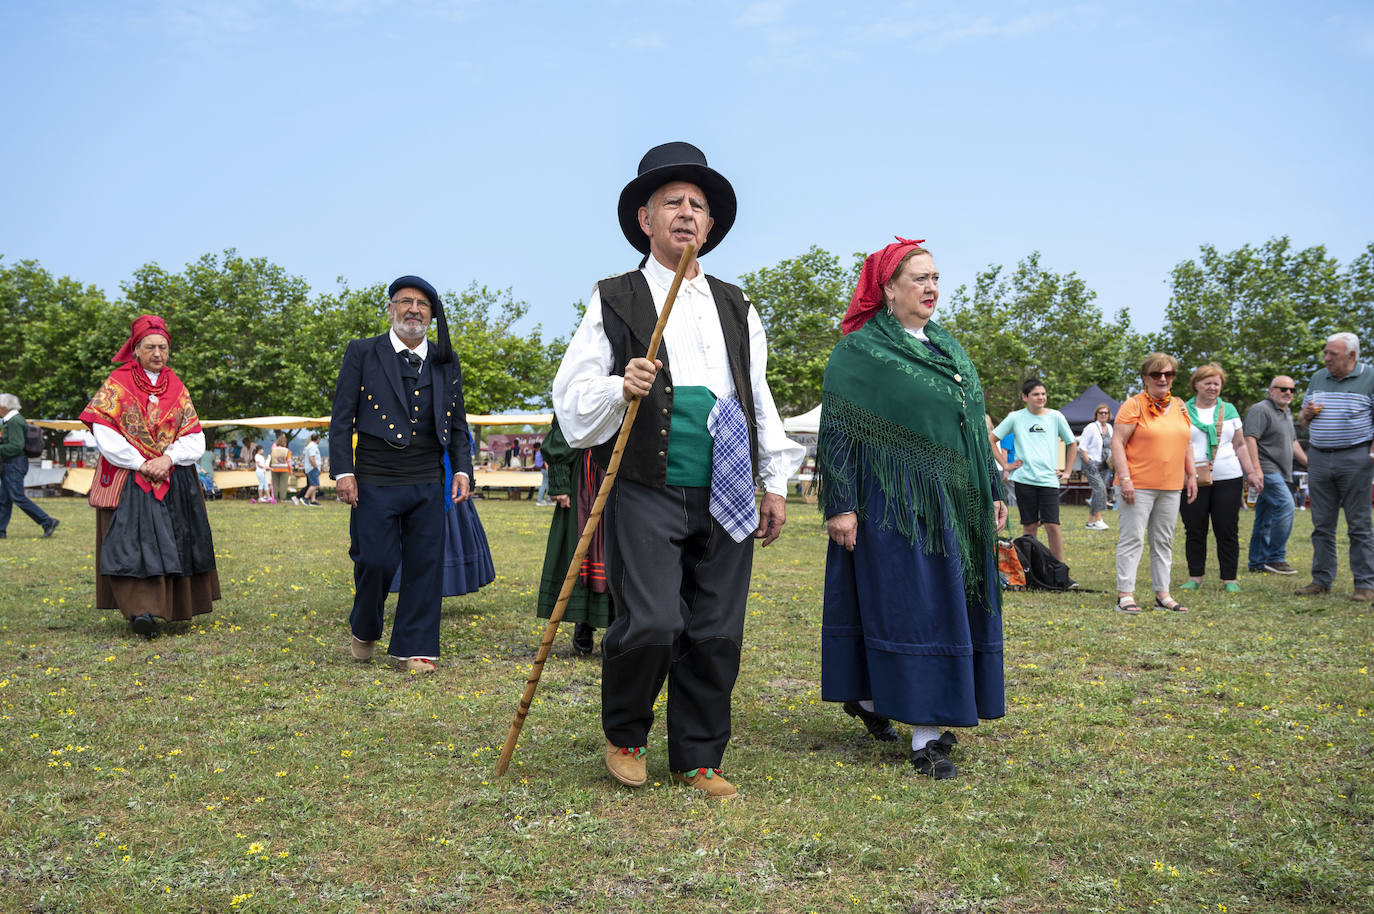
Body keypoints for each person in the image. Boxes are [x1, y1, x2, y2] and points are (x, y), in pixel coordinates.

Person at [552, 141, 803, 798]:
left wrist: (772, 480)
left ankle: (698, 756)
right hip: (645, 484)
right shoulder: (616, 297)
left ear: (710, 224)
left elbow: (757, 396)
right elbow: (572, 400)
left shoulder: (737, 304)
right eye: (673, 203)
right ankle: (627, 734)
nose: (687, 214)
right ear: (645, 219)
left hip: (727, 480)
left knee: (717, 626)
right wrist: (618, 384)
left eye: (698, 205)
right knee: (655, 620)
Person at [819, 237, 1006, 780]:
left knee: (946, 606)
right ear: (887, 288)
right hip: (893, 505)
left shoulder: (949, 349)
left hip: (956, 504)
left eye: (935, 278)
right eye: (919, 278)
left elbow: (972, 428)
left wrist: (992, 490)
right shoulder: (858, 352)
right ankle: (926, 735)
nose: (931, 287)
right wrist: (842, 505)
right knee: (916, 608)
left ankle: (873, 700)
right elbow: (837, 432)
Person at [330, 275, 473, 673]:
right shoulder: (362, 352)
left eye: (423, 304)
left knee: (426, 564)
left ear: (432, 314)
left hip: (428, 475)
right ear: (391, 308)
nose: (414, 309)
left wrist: (462, 468)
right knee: (374, 560)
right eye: (406, 301)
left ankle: (414, 648)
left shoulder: (446, 358)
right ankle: (365, 627)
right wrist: (343, 471)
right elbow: (341, 419)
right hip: (375, 475)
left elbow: (457, 422)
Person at [79, 314, 220, 637]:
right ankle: (139, 611)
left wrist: (168, 458)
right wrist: (140, 462)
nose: (158, 353)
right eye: (150, 347)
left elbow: (194, 437)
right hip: (129, 477)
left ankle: (172, 607)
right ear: (136, 349)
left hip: (173, 477)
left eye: (163, 347)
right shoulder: (118, 382)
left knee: (175, 539)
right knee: (133, 542)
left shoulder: (176, 386)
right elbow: (104, 431)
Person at [1110, 353, 1198, 614]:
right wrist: (1125, 478)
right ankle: (1125, 595)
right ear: (1145, 378)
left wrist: (1191, 475)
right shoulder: (1133, 405)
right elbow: (1117, 442)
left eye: (1168, 374)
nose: (1162, 379)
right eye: (1156, 374)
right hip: (1137, 485)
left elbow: (1187, 442)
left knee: (1163, 541)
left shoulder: (1181, 406)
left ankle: (1163, 595)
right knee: (1133, 538)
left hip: (1171, 486)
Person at [1295, 332, 1374, 601]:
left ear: (1352, 356)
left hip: (1355, 458)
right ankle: (1321, 580)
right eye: (1325, 353)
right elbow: (1302, 419)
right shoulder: (1319, 377)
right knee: (1321, 524)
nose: (1326, 358)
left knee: (1359, 525)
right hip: (1318, 457)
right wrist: (1306, 414)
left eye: (1333, 354)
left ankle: (1364, 584)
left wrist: (1370, 454)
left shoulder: (1370, 377)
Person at [535, 417, 615, 655]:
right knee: (586, 548)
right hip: (587, 478)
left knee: (621, 550)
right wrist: (559, 478)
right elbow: (566, 423)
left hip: (627, 472)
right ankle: (585, 621)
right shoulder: (583, 378)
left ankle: (619, 628)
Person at [1179, 364, 1263, 593]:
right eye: (1207, 382)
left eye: (1217, 383)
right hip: (1193, 478)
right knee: (1194, 528)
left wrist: (1252, 472)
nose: (1212, 387)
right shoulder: (1182, 410)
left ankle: (1229, 578)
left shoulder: (1230, 410)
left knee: (1227, 528)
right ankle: (1195, 576)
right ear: (1196, 384)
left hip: (1228, 476)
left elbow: (1240, 445)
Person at [993, 379, 1077, 562]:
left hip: (1048, 480)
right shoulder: (1015, 417)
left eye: (1043, 394)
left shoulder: (1056, 417)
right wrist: (1005, 465)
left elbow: (1072, 443)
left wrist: (1068, 471)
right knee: (1029, 527)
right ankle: (1029, 571)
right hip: (1024, 479)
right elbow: (991, 439)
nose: (1041, 397)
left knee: (1052, 526)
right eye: (1036, 394)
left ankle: (1058, 570)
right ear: (1025, 397)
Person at [1243, 375, 1306, 574]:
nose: (1288, 393)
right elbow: (1250, 439)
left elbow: (1293, 443)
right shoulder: (1260, 409)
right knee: (1286, 505)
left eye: (1291, 390)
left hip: (1282, 471)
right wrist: (1255, 470)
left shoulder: (1286, 413)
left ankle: (1258, 563)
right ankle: (1276, 558)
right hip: (1267, 469)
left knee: (1265, 517)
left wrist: (1310, 464)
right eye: (1282, 389)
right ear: (1271, 390)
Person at [0, 394, 59, 539]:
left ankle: (47, 521)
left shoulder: (14, 421)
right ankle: (1, 531)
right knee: (4, 499)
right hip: (13, 463)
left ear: (4, 407)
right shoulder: (12, 420)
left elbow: (16, 446)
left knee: (17, 497)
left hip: (14, 463)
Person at [1077, 404, 1114, 530]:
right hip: (1092, 462)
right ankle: (1098, 519)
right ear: (1096, 415)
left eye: (1105, 413)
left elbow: (1112, 445)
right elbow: (1082, 446)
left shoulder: (1109, 427)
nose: (1103, 415)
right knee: (1100, 490)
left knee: (1098, 490)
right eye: (1100, 413)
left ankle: (1091, 521)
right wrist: (1088, 461)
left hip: (1105, 464)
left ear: (1109, 415)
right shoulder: (1091, 427)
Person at [300, 432, 322, 506]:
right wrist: (315, 466)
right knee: (315, 485)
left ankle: (313, 500)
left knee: (312, 484)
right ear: (317, 439)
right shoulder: (313, 446)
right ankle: (305, 498)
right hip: (312, 468)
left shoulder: (311, 445)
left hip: (311, 467)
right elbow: (311, 458)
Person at [268, 434, 292, 504]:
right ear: (284, 443)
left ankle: (275, 498)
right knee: (283, 484)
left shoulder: (273, 450)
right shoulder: (286, 450)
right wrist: (290, 470)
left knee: (275, 484)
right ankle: (282, 498)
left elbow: (271, 458)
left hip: (274, 468)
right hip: (284, 469)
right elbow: (289, 461)